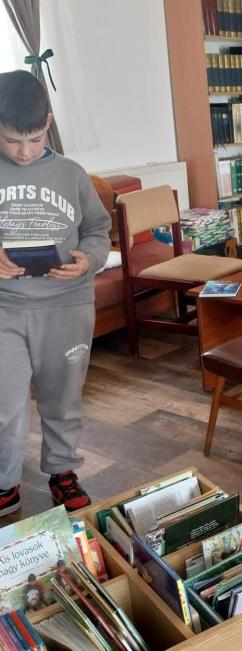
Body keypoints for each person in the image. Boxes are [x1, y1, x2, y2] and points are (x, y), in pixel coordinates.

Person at [0, 70, 110, 517]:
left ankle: (62, 470)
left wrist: (89, 259)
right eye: (11, 141)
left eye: (33, 139)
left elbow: (98, 231)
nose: (24, 151)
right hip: (5, 309)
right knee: (4, 405)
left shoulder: (71, 173)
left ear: (48, 122)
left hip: (67, 306)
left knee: (62, 398)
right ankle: (5, 482)